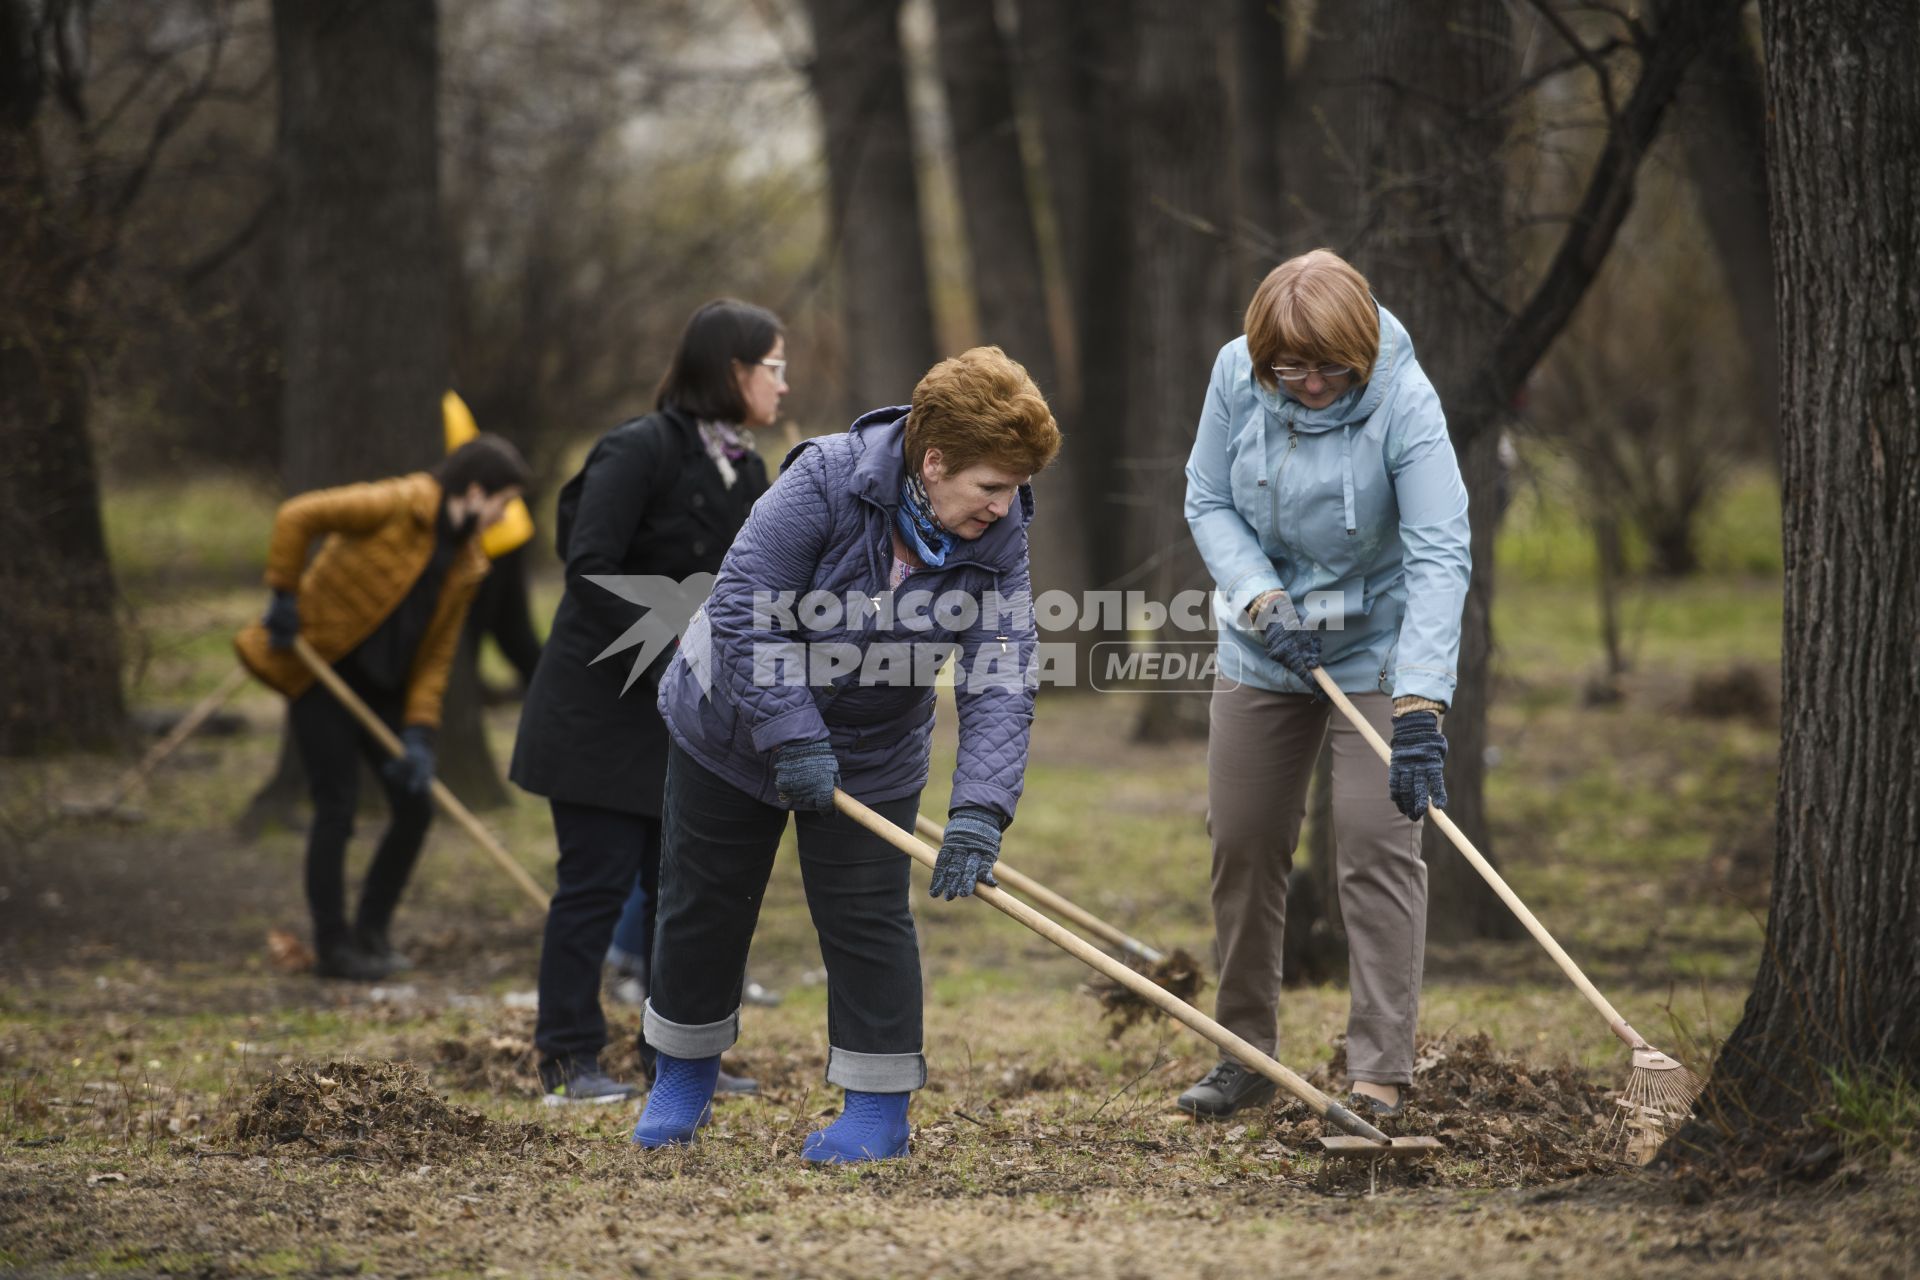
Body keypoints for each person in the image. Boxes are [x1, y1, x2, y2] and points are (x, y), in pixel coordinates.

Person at [630, 346, 1060, 1162]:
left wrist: (979, 811)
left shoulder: (1000, 538)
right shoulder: (824, 479)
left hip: (873, 748)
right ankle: (682, 1076)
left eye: (1016, 490)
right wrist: (792, 735)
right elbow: (744, 609)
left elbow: (1000, 674)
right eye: (992, 488)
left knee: (868, 919)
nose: (1006, 509)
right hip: (729, 722)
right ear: (934, 462)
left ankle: (877, 1110)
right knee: (703, 906)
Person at [1179, 249, 1470, 1121]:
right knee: (1244, 841)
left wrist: (1419, 704)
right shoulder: (1236, 375)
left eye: (1330, 368)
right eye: (1290, 368)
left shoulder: (1407, 405)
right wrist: (1260, 595)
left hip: (1374, 649)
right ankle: (1244, 1052)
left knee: (1378, 848)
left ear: (1364, 349)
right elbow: (1206, 498)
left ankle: (1380, 1072)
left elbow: (1439, 552)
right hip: (1264, 643)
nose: (1309, 385)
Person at [509, 300, 787, 1106]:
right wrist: (680, 643)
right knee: (592, 889)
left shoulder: (751, 469)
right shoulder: (638, 448)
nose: (783, 382)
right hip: (599, 714)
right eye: (773, 365)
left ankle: (678, 1061)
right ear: (735, 371)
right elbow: (588, 563)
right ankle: (567, 1059)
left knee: (681, 895)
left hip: (689, 723)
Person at [235, 434, 531, 981]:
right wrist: (283, 594)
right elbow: (299, 515)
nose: (506, 515)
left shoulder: (467, 563)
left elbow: (437, 655)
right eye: (504, 501)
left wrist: (419, 731)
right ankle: (332, 945)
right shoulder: (398, 502)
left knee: (415, 808)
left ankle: (371, 931)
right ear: (473, 490)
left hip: (385, 690)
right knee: (337, 806)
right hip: (323, 672)